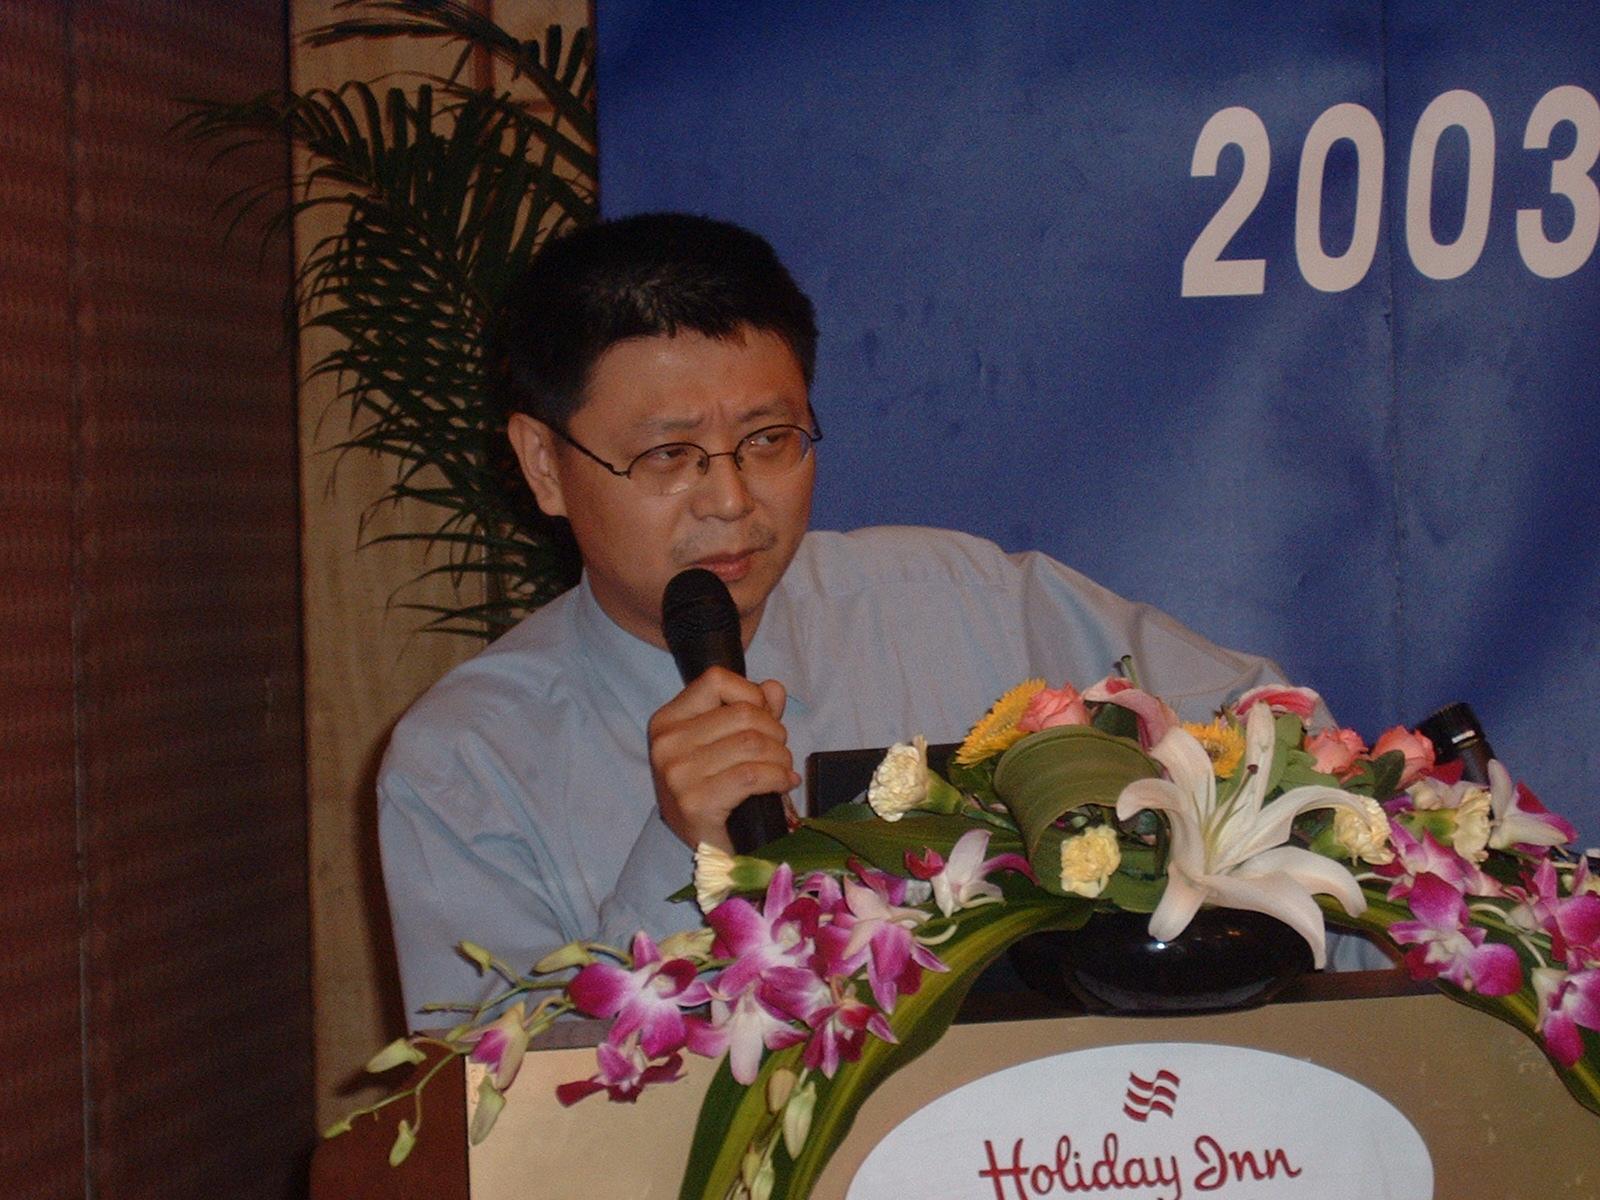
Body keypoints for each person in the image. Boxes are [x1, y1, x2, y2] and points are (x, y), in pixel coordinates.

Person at [378, 213, 1350, 1025]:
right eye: (669, 457)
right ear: (545, 466)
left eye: (770, 440)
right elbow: (497, 1115)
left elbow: (1282, 747)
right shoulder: (465, 764)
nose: (731, 499)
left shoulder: (965, 604)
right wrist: (681, 851)